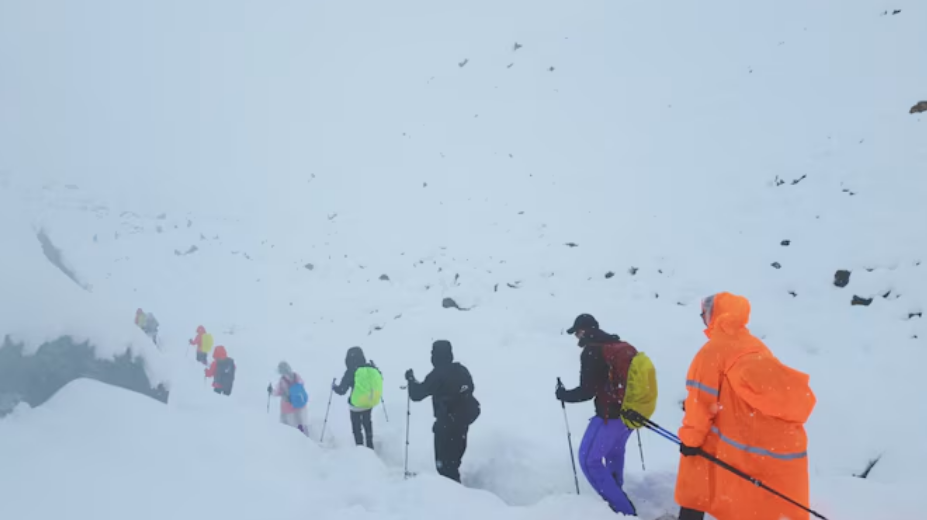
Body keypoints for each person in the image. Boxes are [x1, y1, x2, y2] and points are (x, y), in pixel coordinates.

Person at [675, 293, 816, 520]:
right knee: (753, 502)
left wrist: (690, 440)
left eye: (704, 315)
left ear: (713, 316)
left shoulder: (711, 352)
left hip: (731, 442)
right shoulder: (756, 345)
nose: (703, 319)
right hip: (764, 443)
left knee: (697, 482)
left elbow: (700, 404)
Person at [555, 314, 637, 516]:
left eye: (576, 333)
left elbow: (587, 391)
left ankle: (623, 511)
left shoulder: (592, 351)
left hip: (610, 415)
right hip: (630, 415)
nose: (577, 338)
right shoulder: (616, 345)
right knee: (614, 453)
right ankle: (618, 498)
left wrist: (563, 395)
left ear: (583, 331)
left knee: (588, 460)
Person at [405, 340, 480, 483]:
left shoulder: (437, 374)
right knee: (453, 464)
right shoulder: (462, 370)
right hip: (462, 425)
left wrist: (410, 380)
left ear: (435, 356)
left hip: (446, 427)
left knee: (445, 468)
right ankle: (457, 491)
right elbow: (470, 388)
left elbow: (417, 395)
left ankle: (453, 494)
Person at [332, 346, 383, 449]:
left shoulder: (351, 371)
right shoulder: (371, 368)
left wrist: (334, 387)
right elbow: (380, 379)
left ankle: (360, 448)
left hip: (356, 405)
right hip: (369, 402)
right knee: (367, 423)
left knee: (356, 427)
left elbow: (342, 390)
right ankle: (370, 445)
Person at [273, 361, 309, 436]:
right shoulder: (296, 376)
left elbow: (277, 392)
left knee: (290, 426)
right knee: (301, 422)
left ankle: (294, 439)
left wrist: (271, 391)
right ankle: (305, 435)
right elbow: (302, 384)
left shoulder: (282, 381)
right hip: (300, 404)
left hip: (288, 407)